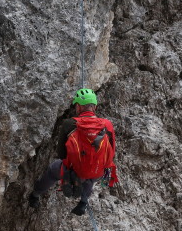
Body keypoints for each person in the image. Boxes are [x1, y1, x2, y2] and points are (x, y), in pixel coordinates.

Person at [28, 88, 118, 216]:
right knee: (93, 173)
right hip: (97, 171)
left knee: (53, 170)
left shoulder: (69, 124)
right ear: (95, 107)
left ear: (78, 107)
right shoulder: (107, 125)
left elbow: (62, 154)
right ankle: (83, 202)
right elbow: (111, 152)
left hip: (73, 170)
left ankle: (35, 196)